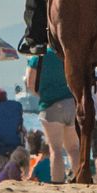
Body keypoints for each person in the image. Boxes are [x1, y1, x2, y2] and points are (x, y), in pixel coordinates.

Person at [26, 47, 78, 184]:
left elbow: (30, 84)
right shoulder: (66, 52)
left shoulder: (37, 56)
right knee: (73, 148)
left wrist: (41, 94)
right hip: (70, 103)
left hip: (50, 105)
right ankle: (80, 178)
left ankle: (57, 182)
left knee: (55, 149)